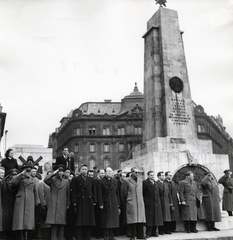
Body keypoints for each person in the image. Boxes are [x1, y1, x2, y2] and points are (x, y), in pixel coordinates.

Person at [12, 167, 39, 240]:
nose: (28, 173)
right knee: (20, 221)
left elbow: (35, 191)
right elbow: (12, 181)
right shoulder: (20, 178)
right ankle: (21, 237)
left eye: (29, 172)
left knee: (28, 222)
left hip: (30, 201)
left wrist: (37, 201)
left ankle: (27, 237)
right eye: (27, 172)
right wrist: (21, 173)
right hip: (20, 201)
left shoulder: (33, 180)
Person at [70, 164, 96, 240]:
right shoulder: (75, 179)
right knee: (80, 222)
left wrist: (94, 201)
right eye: (83, 169)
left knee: (88, 222)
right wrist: (74, 201)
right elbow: (73, 191)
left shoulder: (91, 179)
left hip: (88, 202)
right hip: (80, 202)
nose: (84, 171)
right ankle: (79, 237)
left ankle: (87, 237)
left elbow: (93, 191)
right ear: (80, 170)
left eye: (85, 169)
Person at [44, 167, 70, 240]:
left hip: (62, 204)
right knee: (54, 225)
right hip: (54, 204)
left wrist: (68, 204)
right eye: (59, 172)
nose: (60, 173)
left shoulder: (66, 182)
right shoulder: (52, 180)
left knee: (61, 225)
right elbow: (45, 179)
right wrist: (54, 172)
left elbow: (68, 194)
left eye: (62, 171)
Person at [121, 167, 146, 240]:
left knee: (140, 219)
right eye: (135, 172)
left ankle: (140, 235)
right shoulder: (126, 180)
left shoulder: (141, 180)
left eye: (138, 172)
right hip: (131, 202)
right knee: (133, 220)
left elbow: (143, 192)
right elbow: (123, 193)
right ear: (131, 172)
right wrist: (127, 200)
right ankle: (132, 236)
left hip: (140, 202)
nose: (137, 174)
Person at [97, 167, 119, 240]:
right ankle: (106, 236)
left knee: (113, 220)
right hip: (105, 203)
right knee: (105, 221)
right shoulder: (101, 181)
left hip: (113, 202)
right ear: (105, 172)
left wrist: (118, 203)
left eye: (111, 171)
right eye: (108, 171)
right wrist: (100, 204)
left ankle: (111, 236)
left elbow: (117, 193)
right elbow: (99, 193)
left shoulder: (115, 181)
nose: (110, 173)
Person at [143, 171, 163, 238]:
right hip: (149, 204)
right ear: (148, 175)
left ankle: (154, 232)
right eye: (151, 175)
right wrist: (146, 201)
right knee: (149, 219)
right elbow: (143, 193)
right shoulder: (145, 182)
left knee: (155, 218)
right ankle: (148, 233)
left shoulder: (156, 183)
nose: (152, 176)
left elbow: (158, 193)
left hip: (156, 203)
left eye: (153, 175)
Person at [1, 168, 19, 239]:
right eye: (13, 174)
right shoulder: (5, 181)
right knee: (7, 219)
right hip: (7, 202)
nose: (14, 176)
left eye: (15, 175)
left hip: (16, 201)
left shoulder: (19, 180)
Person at [38, 171, 52, 240]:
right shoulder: (42, 184)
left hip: (52, 206)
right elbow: (41, 195)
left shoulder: (53, 183)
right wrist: (43, 205)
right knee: (45, 223)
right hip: (45, 206)